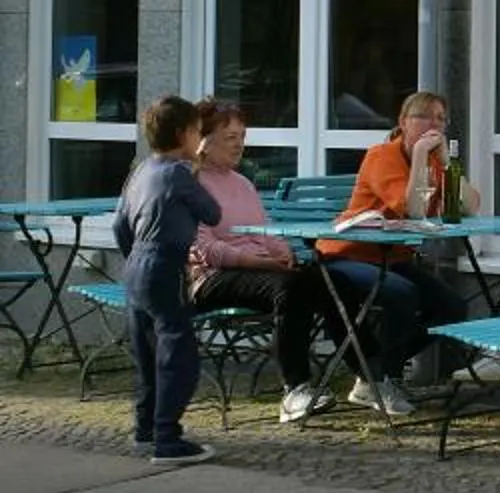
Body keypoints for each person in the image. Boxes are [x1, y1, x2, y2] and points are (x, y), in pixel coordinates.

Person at [313, 90, 472, 417]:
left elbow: (470, 205)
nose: (434, 124)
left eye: (441, 118)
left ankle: (377, 374)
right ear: (403, 122)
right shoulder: (381, 155)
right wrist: (418, 159)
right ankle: (383, 379)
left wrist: (446, 163)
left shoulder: (433, 160)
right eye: (424, 116)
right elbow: (411, 209)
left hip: (392, 257)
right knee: (402, 294)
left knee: (451, 306)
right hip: (347, 254)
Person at [183, 99, 342, 424]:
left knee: (330, 277)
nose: (240, 144)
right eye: (230, 137)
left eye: (242, 136)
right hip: (211, 277)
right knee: (291, 288)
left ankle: (370, 373)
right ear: (204, 140)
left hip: (259, 269)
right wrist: (260, 263)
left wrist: (282, 251)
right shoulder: (191, 183)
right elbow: (205, 249)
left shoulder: (242, 183)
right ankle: (295, 389)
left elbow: (265, 232)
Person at [112, 95, 222, 464]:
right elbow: (213, 212)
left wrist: (135, 260)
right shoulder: (177, 173)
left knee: (146, 354)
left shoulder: (140, 170)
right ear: (183, 134)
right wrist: (199, 168)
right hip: (165, 265)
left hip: (136, 266)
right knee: (178, 354)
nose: (200, 140)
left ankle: (145, 430)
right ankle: (167, 439)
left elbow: (119, 225)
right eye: (197, 133)